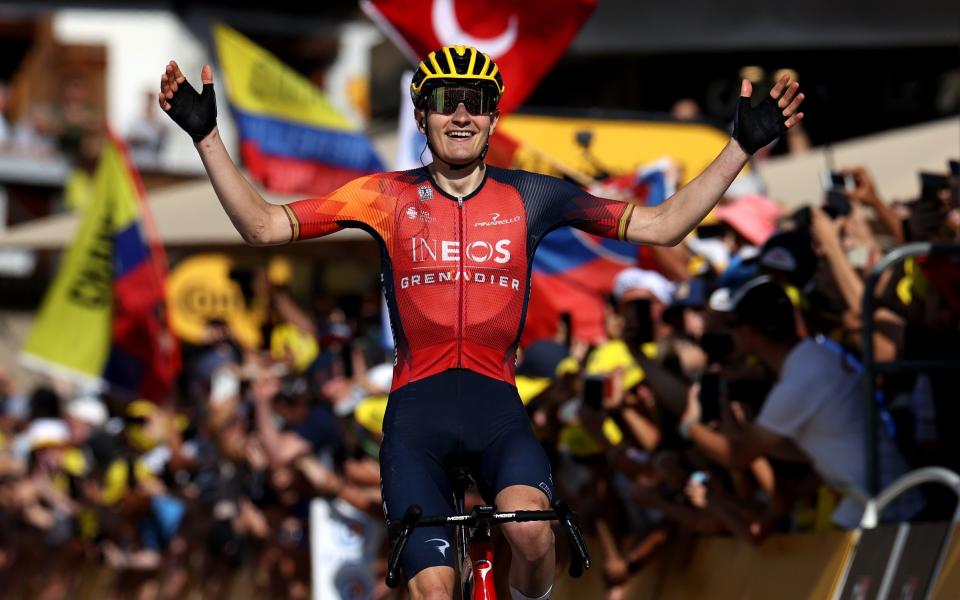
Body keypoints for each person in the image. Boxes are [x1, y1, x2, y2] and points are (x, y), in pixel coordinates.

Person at [159, 45, 804, 600]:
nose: (461, 113)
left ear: (494, 117)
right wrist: (207, 138)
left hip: (497, 409)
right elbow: (265, 225)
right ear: (422, 115)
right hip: (416, 418)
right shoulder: (382, 196)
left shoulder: (534, 195)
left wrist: (739, 149)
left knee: (531, 529)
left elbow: (662, 225)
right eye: (445, 99)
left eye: (475, 100)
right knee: (434, 591)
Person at [679, 276, 922, 528]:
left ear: (750, 332)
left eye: (733, 324)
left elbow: (736, 456)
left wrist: (690, 425)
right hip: (885, 499)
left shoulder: (798, 384)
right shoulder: (820, 353)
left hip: (888, 509)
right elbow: (805, 452)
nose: (730, 333)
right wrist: (753, 436)